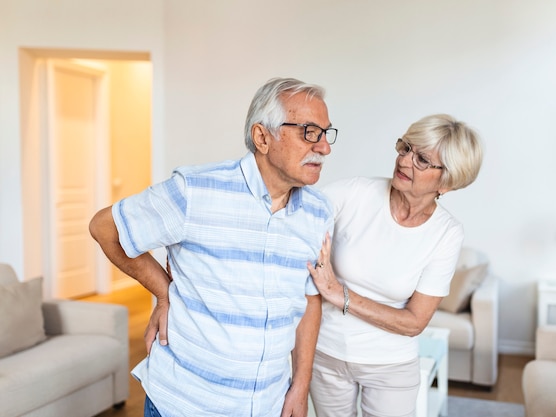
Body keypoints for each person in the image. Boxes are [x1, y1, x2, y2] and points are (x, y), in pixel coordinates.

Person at [89, 77, 338, 417]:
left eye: (325, 134)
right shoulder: (195, 190)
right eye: (309, 132)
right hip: (186, 403)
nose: (324, 147)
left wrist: (300, 385)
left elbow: (310, 299)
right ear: (262, 137)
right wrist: (165, 293)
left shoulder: (319, 211)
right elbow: (105, 229)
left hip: (268, 404)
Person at [307, 114, 483, 417]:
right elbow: (294, 214)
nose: (404, 161)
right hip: (327, 355)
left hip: (390, 366)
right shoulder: (354, 193)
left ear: (449, 181)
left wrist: (338, 293)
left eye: (423, 160)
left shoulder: (447, 233)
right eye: (405, 148)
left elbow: (414, 322)